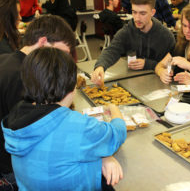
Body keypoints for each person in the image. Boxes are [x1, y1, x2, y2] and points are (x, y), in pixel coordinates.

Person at [1, 47, 127, 190]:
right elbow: (116, 134)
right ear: (72, 87)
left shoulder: (15, 116)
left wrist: (102, 156)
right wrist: (115, 110)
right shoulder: (77, 127)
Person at [0, 15, 76, 190]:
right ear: (43, 42)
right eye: (60, 54)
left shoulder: (6, 59)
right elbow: (41, 133)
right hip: (11, 167)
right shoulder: (23, 78)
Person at [92, 0, 175, 86]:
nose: (137, 18)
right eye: (134, 12)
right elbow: (112, 50)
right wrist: (100, 66)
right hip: (133, 83)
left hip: (159, 85)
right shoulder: (127, 31)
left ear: (152, 12)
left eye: (142, 13)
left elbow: (172, 65)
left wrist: (147, 64)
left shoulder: (166, 37)